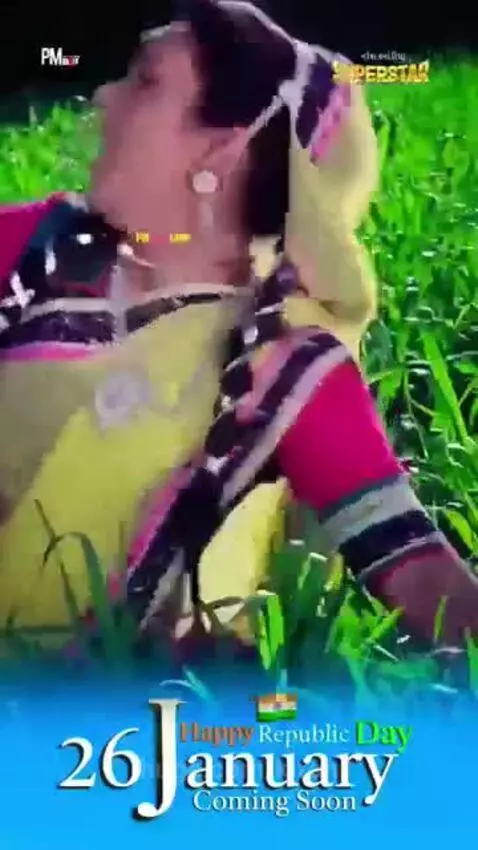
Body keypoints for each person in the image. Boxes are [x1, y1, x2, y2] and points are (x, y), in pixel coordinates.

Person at [0, 0, 477, 656]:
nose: (105, 96)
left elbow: (423, 579)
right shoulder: (34, 245)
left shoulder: (289, 372)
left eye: (145, 81)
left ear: (224, 149)